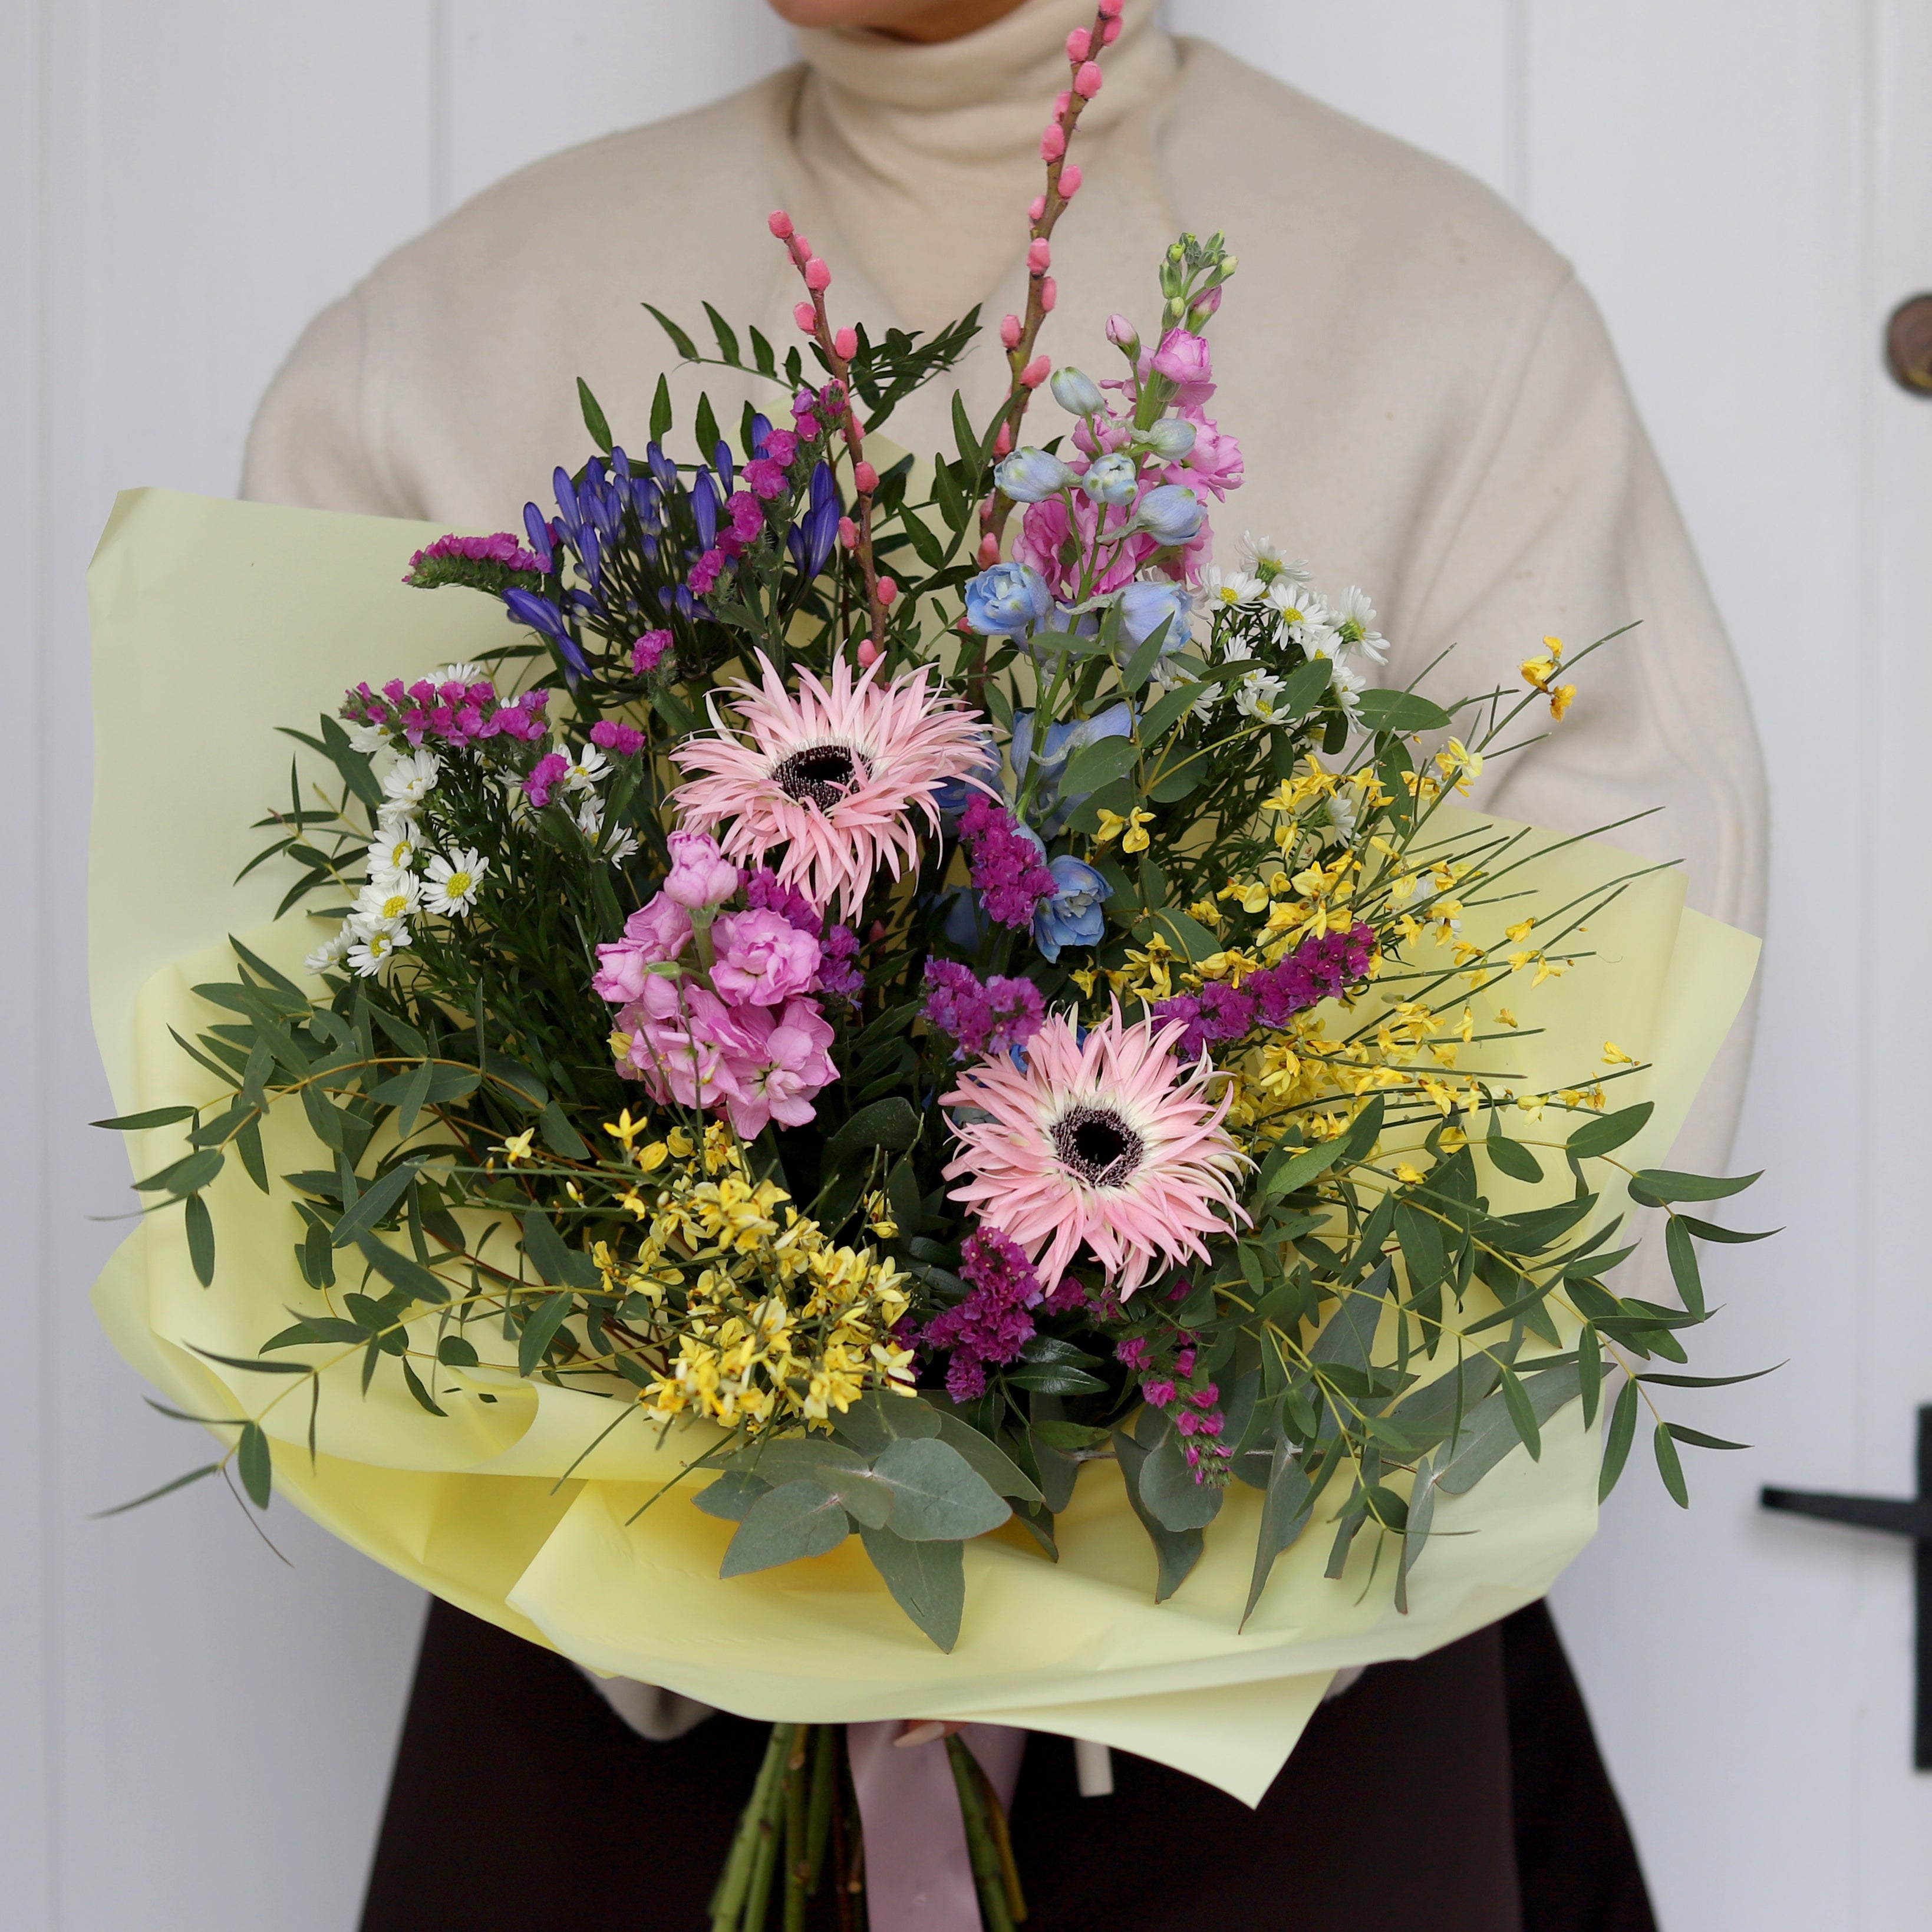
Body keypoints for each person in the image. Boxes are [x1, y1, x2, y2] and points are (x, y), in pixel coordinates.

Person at [242, 2, 1766, 1926]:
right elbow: (326, 1026)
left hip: (1275, 1700)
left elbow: (1616, 1003)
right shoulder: (444, 332)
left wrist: (1156, 1478)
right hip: (627, 1725)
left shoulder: (1455, 314)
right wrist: (704, 1492)